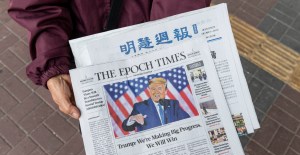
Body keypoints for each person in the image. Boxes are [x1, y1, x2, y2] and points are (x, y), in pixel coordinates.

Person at [8, 0, 211, 119]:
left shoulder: (170, 104)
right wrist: (53, 62)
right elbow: (36, 5)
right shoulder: (141, 109)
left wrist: (167, 45)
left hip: (158, 48)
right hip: (88, 61)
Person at [122, 77, 189, 132]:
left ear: (165, 91)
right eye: (153, 89)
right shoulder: (140, 107)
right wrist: (133, 118)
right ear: (149, 91)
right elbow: (125, 127)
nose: (156, 92)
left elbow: (187, 121)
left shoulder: (173, 104)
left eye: (159, 88)